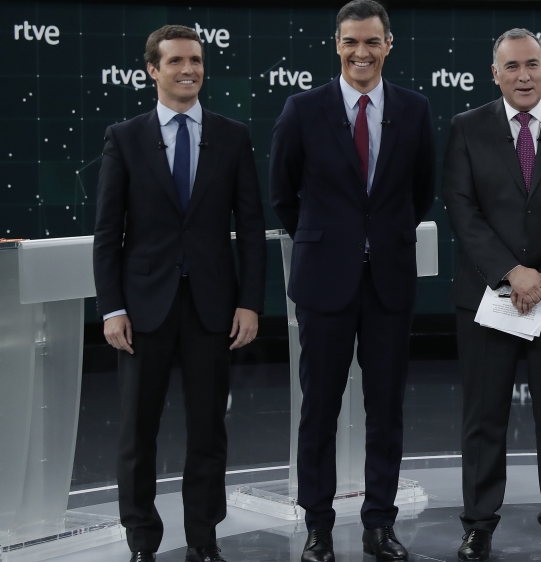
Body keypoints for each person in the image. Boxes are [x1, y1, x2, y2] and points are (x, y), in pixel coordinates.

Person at [93, 24, 266, 562]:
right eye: (176, 61)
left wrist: (250, 301)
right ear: (153, 70)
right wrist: (112, 308)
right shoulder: (125, 137)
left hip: (214, 307)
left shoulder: (233, 135)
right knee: (137, 434)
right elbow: (108, 232)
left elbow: (252, 227)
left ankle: (203, 539)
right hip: (143, 308)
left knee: (208, 431)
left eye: (195, 60)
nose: (188, 69)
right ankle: (142, 542)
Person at [269, 1, 435, 560]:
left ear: (389, 45)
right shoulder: (302, 109)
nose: (360, 52)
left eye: (371, 42)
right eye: (350, 42)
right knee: (320, 405)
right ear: (335, 45)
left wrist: (377, 239)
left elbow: (421, 192)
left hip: (388, 282)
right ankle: (317, 523)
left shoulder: (414, 110)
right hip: (323, 283)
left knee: (386, 409)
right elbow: (283, 198)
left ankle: (378, 523)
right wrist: (330, 241)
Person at [442, 27, 541, 562]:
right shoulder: (466, 128)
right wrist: (512, 272)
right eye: (512, 67)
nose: (524, 75)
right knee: (483, 417)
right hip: (488, 298)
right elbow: (461, 209)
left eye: (532, 64)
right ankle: (478, 525)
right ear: (495, 74)